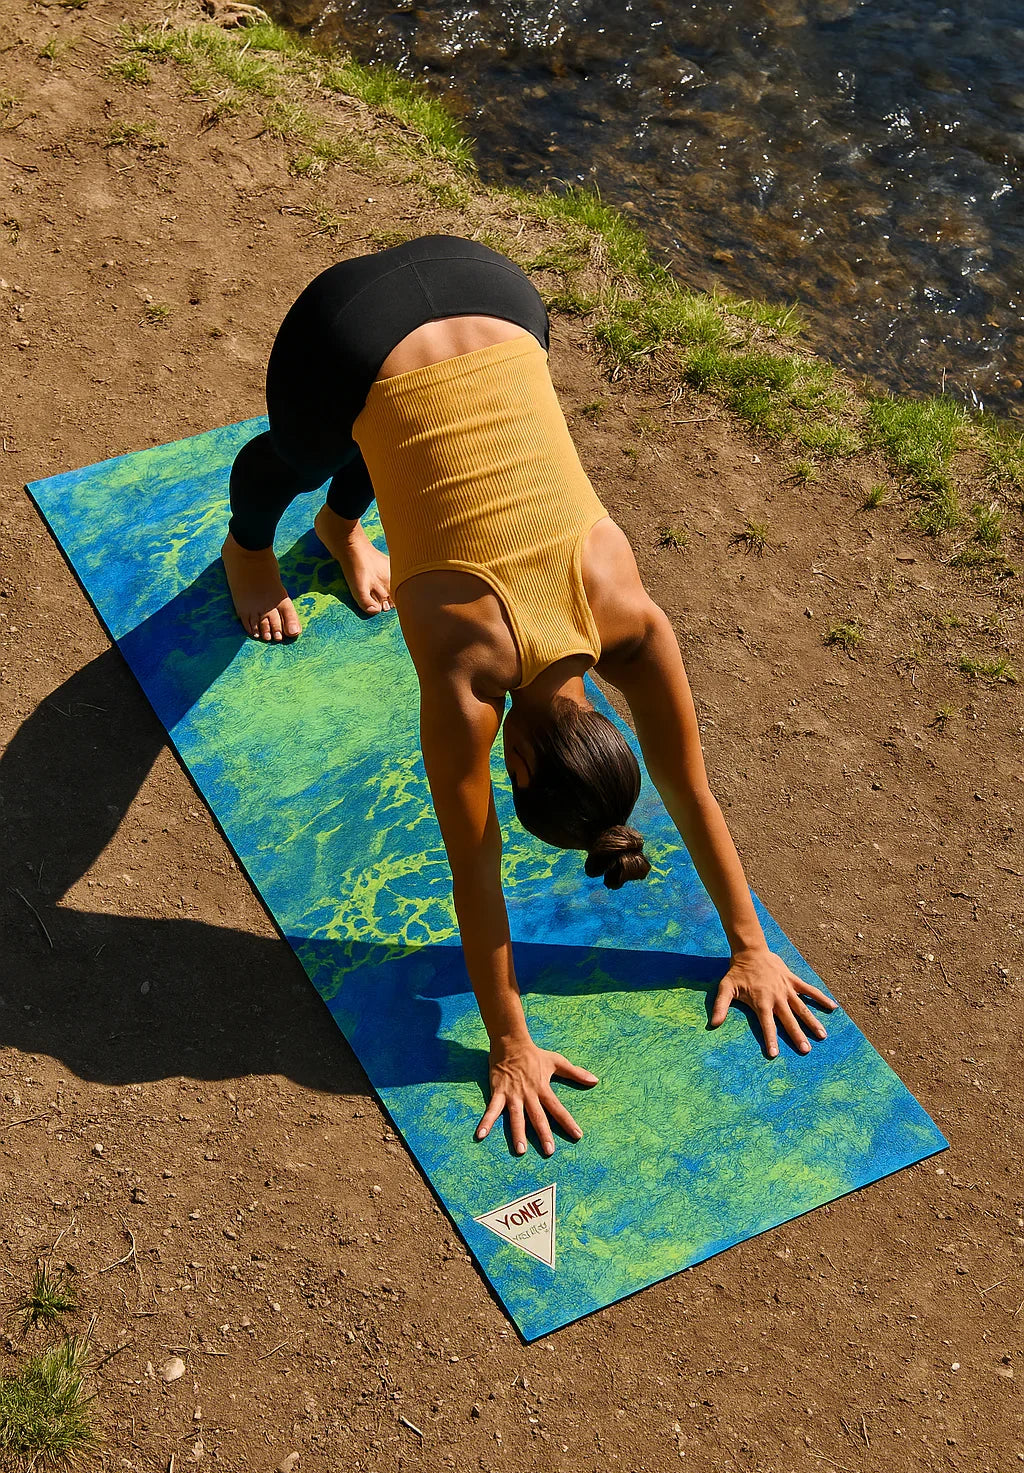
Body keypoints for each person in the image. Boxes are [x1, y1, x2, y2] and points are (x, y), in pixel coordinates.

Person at [223, 234, 835, 1158]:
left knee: (388, 425)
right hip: (341, 330)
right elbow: (476, 866)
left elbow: (689, 791)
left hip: (498, 289)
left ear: (606, 723)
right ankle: (252, 545)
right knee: (299, 452)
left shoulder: (630, 623)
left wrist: (753, 948)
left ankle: (344, 526)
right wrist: (508, 1044)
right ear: (516, 758)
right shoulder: (467, 669)